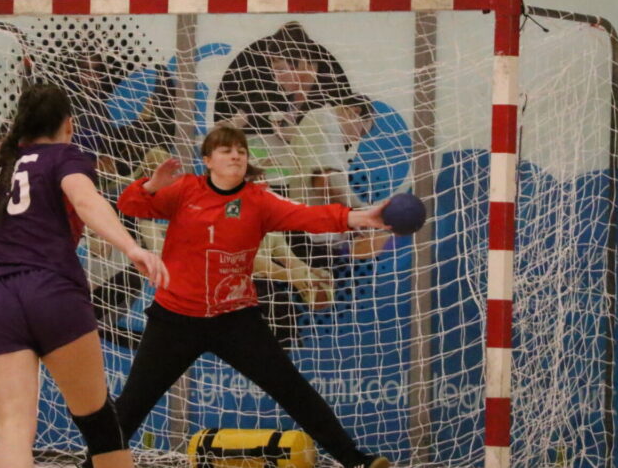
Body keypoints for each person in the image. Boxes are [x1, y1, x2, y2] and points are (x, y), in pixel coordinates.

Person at [85, 125, 392, 468]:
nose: (235, 155)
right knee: (131, 406)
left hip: (235, 320)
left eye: (241, 151)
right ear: (207, 160)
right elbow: (132, 205)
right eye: (225, 150)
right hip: (175, 319)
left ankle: (355, 461)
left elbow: (311, 216)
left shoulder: (259, 201)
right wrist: (153, 184)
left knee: (293, 391)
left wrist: (362, 217)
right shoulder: (186, 190)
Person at [0, 83, 170, 468]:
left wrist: (5, 292)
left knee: (13, 431)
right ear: (68, 125)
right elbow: (86, 200)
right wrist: (132, 247)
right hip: (53, 291)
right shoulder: (63, 156)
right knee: (99, 421)